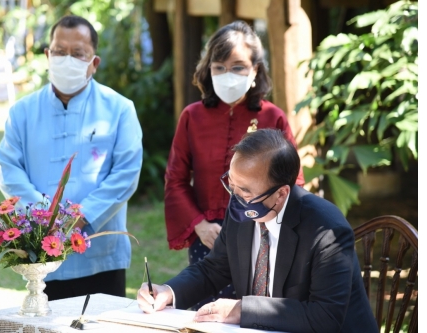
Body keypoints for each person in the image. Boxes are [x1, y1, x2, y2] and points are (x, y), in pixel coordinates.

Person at [139, 128, 378, 333]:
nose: (235, 197)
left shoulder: (326, 230)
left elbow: (324, 316)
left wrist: (241, 310)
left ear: (282, 192)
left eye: (246, 191)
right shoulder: (241, 205)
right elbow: (214, 268)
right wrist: (168, 292)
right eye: (231, 184)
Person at [0, 15, 143, 301]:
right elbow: (10, 170)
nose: (67, 59)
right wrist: (44, 217)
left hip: (101, 251)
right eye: (60, 52)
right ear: (48, 55)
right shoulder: (22, 112)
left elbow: (126, 173)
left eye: (78, 54)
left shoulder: (120, 109)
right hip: (40, 253)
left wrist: (82, 216)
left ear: (94, 63)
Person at [164, 20, 305, 310]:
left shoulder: (273, 117)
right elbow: (176, 180)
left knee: (255, 312)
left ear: (255, 70)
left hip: (263, 234)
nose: (228, 75)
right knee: (206, 312)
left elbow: (294, 183)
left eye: (238, 66)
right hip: (207, 237)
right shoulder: (191, 117)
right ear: (209, 69)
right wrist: (198, 225)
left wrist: (266, 222)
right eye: (220, 67)